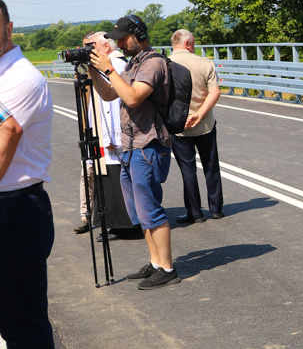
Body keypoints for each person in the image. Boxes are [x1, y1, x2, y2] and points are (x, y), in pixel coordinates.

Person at [87, 15, 180, 290]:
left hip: (147, 146)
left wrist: (111, 70)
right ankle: (154, 263)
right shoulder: (133, 64)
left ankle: (167, 268)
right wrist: (95, 71)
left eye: (122, 38)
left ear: (138, 34)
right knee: (140, 212)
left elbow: (132, 97)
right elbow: (109, 95)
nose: (119, 43)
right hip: (130, 147)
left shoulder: (153, 63)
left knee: (151, 209)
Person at [0, 0, 56, 349]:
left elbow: (7, 135)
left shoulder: (22, 78)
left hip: (14, 209)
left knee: (22, 323)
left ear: (9, 27)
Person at [75, 32, 137, 242]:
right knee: (108, 181)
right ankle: (116, 223)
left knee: (116, 182)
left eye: (93, 46)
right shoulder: (108, 66)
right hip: (105, 133)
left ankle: (123, 225)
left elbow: (112, 105)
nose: (89, 51)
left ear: (106, 48)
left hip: (112, 136)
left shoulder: (116, 66)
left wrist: (111, 137)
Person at [169, 29, 224, 223]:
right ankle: (216, 209)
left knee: (188, 170)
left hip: (179, 126)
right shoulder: (204, 63)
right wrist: (200, 115)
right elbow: (215, 92)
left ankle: (195, 212)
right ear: (187, 44)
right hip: (205, 124)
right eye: (193, 44)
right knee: (211, 166)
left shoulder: (164, 65)